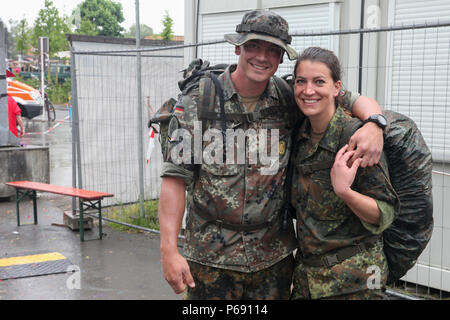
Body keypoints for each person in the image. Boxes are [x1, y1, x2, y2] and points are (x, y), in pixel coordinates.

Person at [158, 10, 385, 300]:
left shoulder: (291, 96)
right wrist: (169, 250)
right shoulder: (199, 101)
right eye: (253, 46)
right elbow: (175, 179)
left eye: (273, 50)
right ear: (238, 47)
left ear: (281, 58)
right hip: (210, 260)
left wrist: (375, 123)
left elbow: (349, 98)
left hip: (272, 262)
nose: (262, 57)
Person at [290, 47, 400, 300]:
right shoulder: (300, 135)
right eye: (301, 82)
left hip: (354, 281)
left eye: (319, 82)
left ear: (337, 87)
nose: (308, 91)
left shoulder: (357, 138)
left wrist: (344, 192)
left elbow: (384, 213)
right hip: (307, 277)